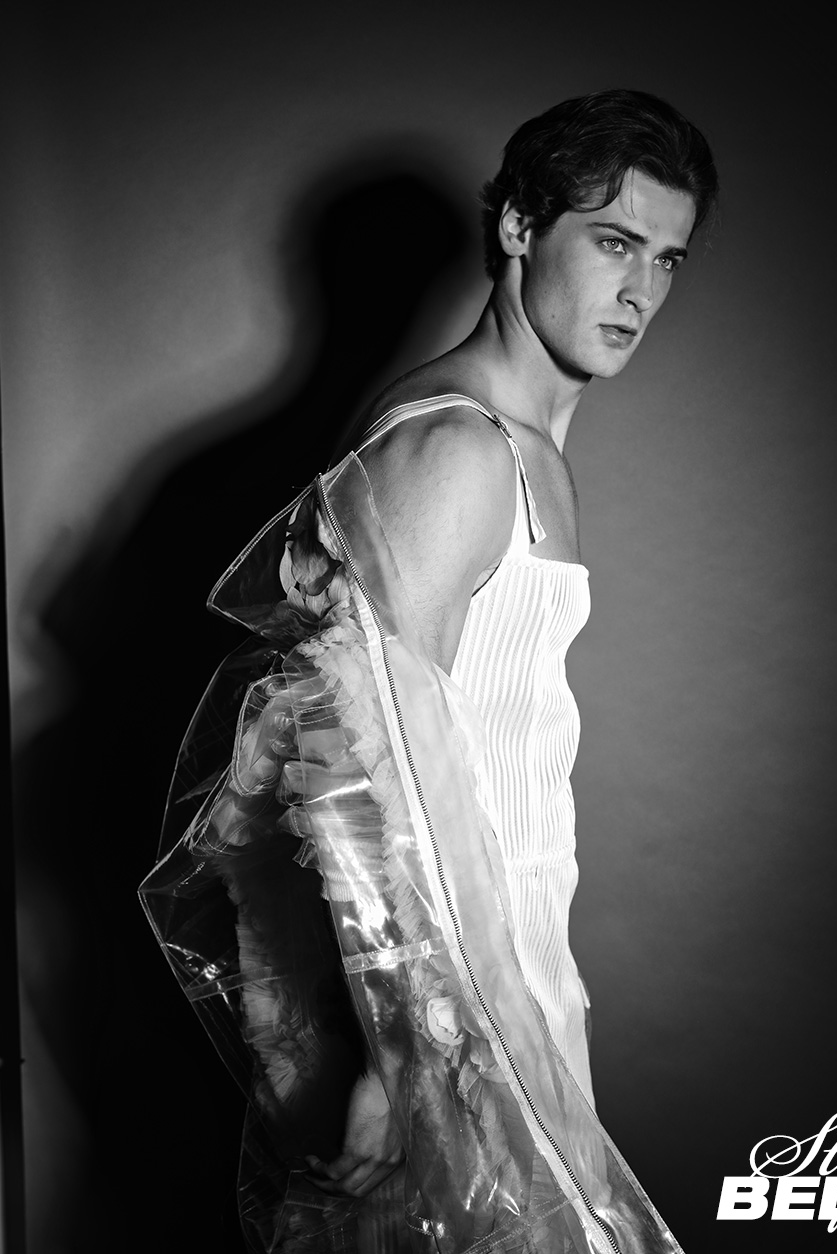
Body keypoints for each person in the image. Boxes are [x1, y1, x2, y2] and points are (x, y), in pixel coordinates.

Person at [141, 88, 717, 1253]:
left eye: (666, 258)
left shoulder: (526, 448)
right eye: (614, 243)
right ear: (518, 227)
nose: (641, 291)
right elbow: (353, 781)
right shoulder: (453, 451)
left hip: (513, 983)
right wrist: (388, 1061)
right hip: (433, 1028)